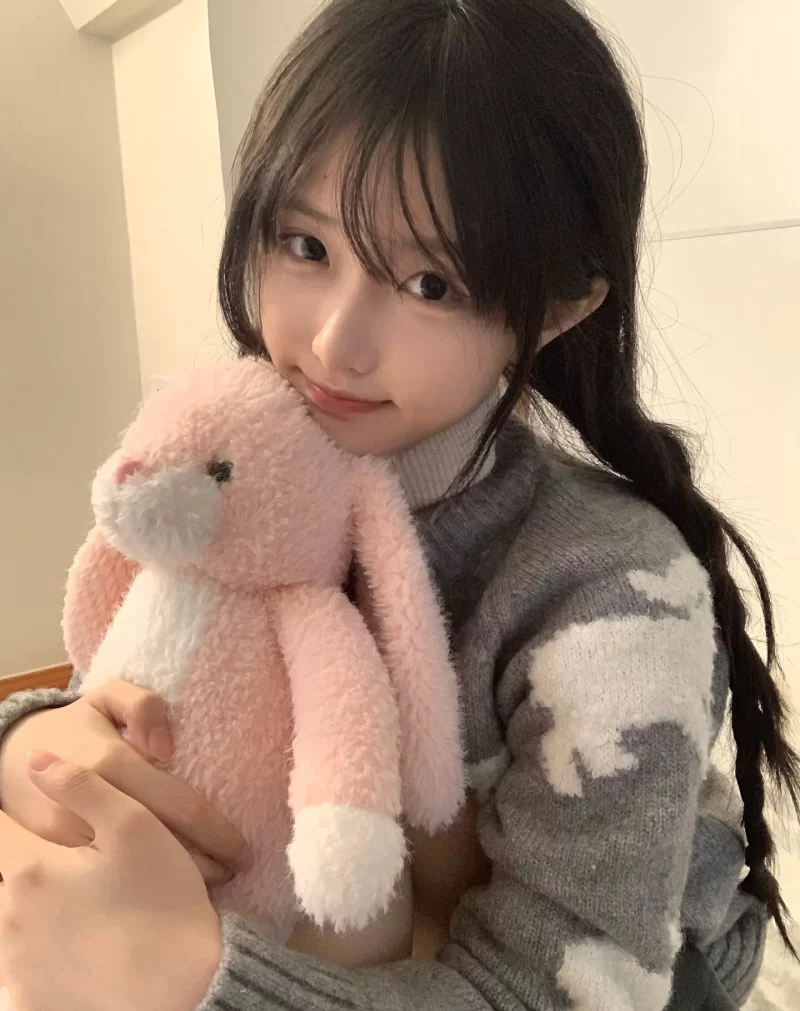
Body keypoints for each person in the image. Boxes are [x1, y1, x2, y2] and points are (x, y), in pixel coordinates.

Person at [0, 0, 796, 1008]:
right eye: (304, 245)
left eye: (429, 283)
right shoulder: (237, 464)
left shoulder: (613, 590)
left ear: (557, 309)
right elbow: (127, 684)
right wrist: (33, 741)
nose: (334, 343)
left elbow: (561, 987)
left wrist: (198, 980)